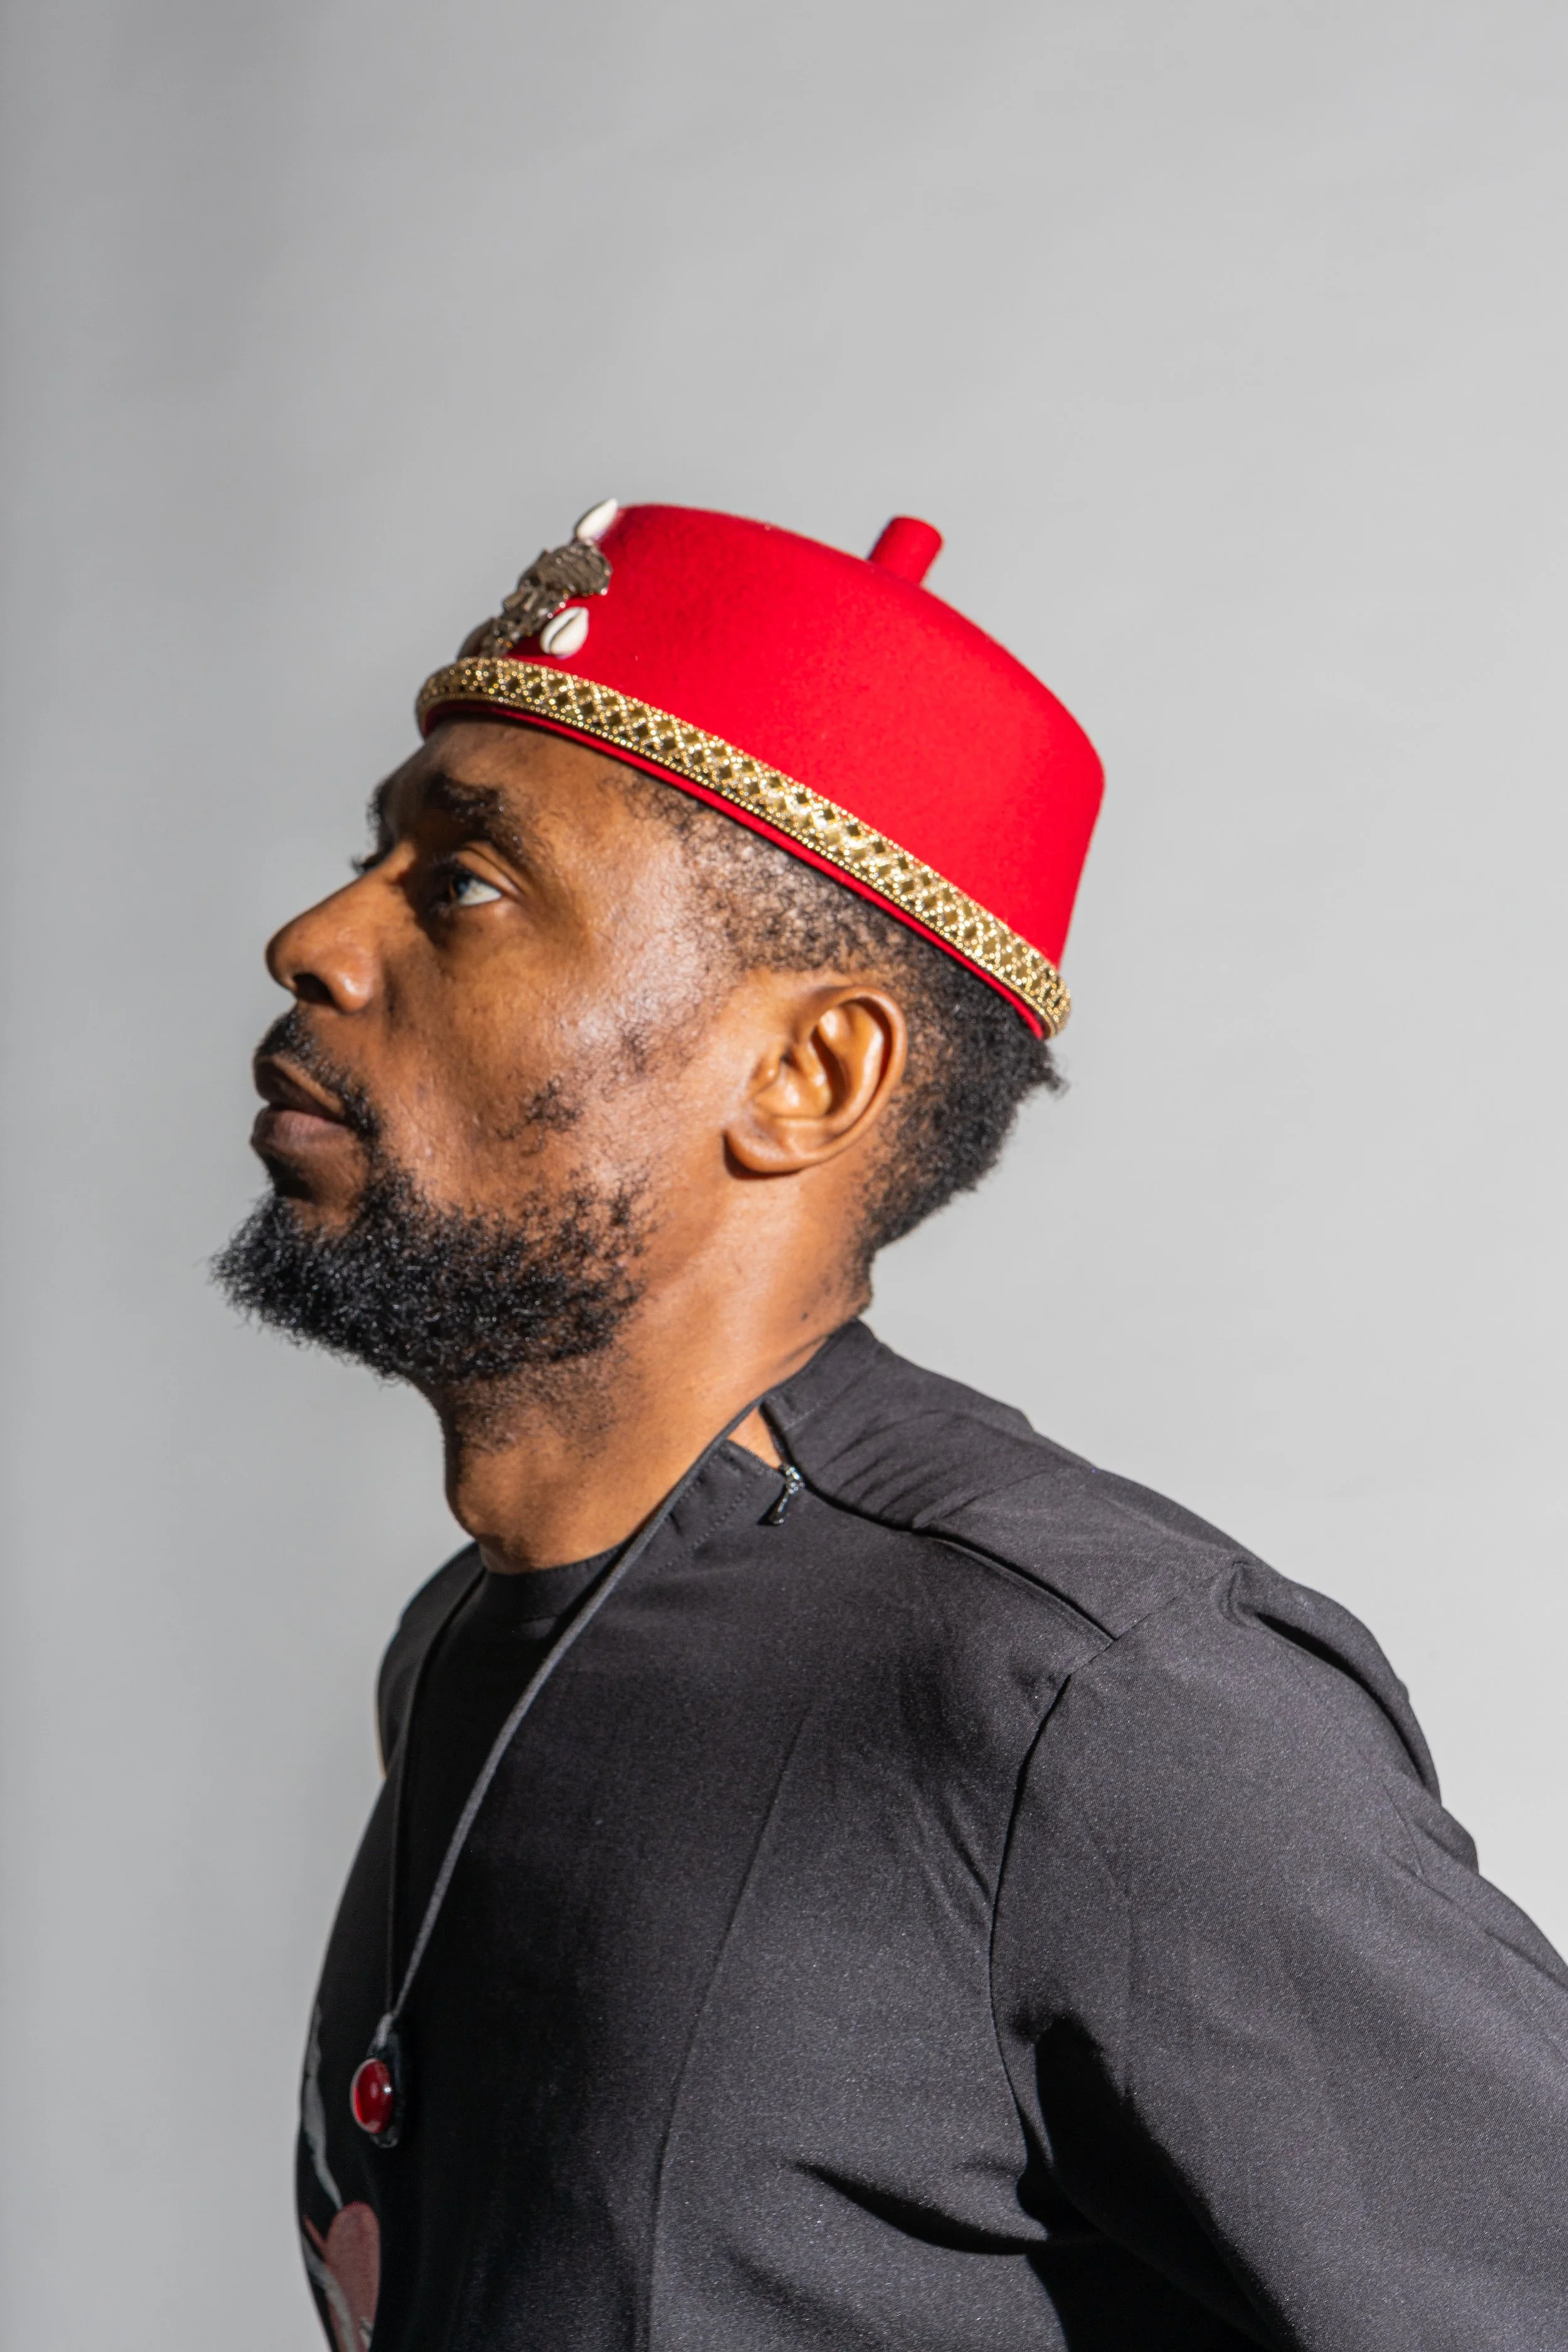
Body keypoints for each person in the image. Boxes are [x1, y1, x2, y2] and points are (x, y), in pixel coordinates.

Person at [220, 501, 1567, 2352]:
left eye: (462, 884)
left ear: (804, 1073)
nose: (312, 939)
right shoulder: (460, 1639)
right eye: (368, 856)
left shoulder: (1092, 1705)